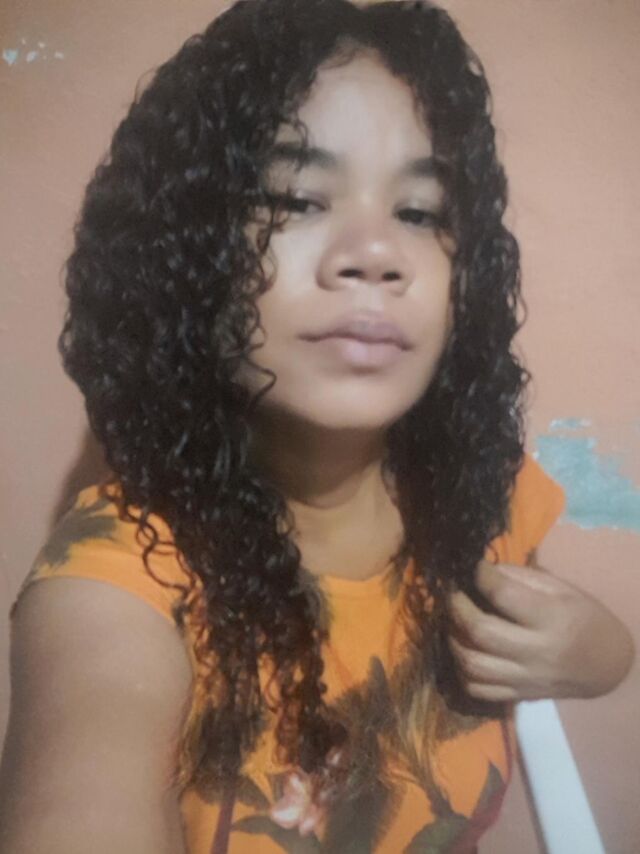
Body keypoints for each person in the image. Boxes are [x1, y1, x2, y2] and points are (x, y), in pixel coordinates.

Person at [0, 1, 634, 852]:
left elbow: (560, 638)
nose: (376, 252)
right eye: (297, 198)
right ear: (189, 250)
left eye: (420, 212)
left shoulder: (483, 490)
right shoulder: (118, 582)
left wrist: (604, 654)